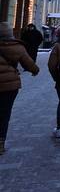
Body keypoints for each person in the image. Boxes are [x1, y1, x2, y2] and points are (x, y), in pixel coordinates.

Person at [0, 22, 39, 154]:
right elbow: (29, 64)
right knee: (4, 114)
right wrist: (35, 70)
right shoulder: (17, 47)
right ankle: (0, 142)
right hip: (10, 86)